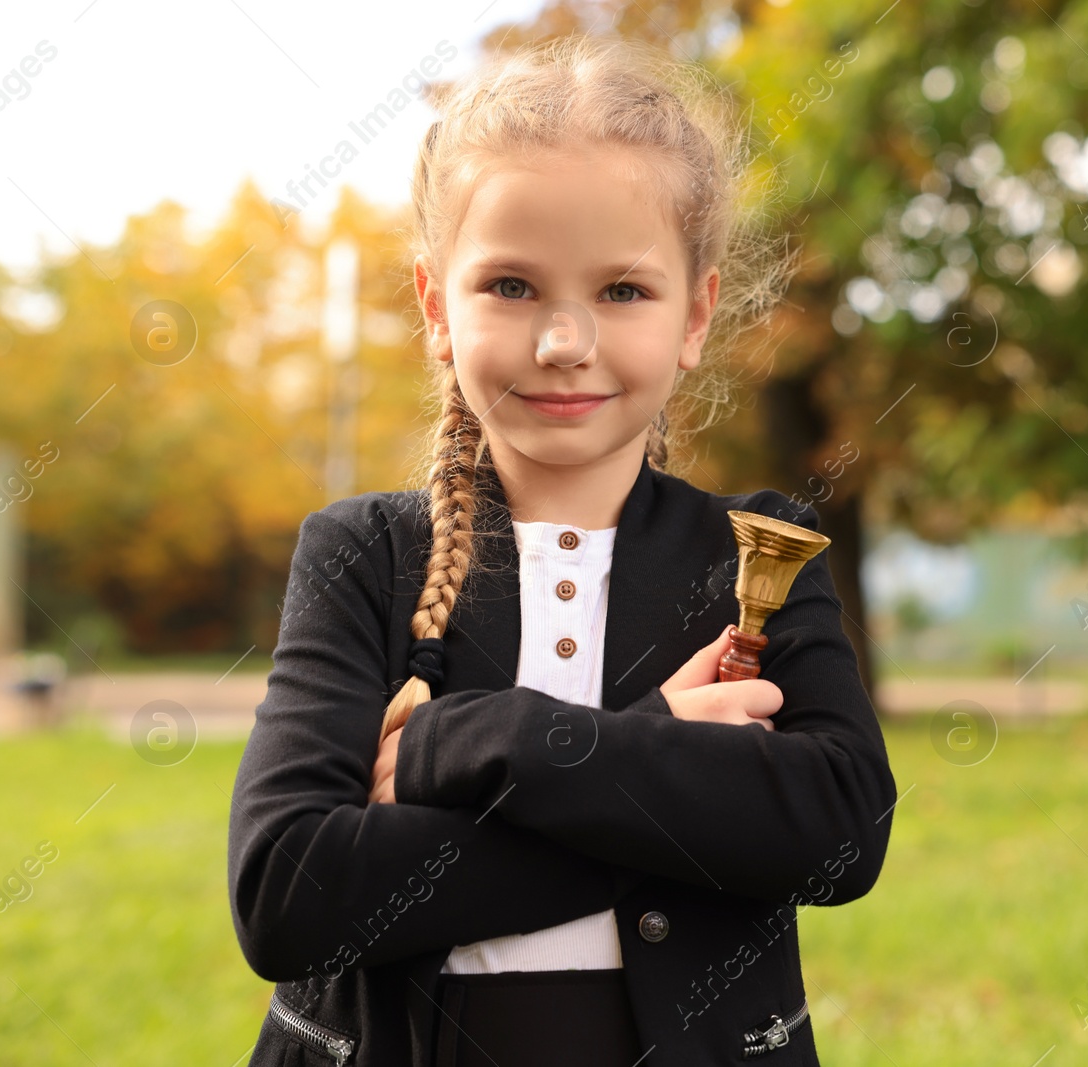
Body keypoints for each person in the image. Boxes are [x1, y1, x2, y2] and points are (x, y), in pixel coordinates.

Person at [227, 32, 897, 1067]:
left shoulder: (755, 554)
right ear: (433, 305)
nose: (564, 341)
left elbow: (841, 834)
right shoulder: (363, 554)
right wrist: (676, 772)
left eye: (623, 291)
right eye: (510, 286)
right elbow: (288, 897)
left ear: (695, 314)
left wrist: (485, 742)